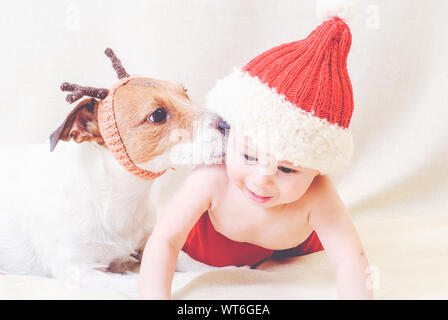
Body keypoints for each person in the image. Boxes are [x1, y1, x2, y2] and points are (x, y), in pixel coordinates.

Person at [140, 12, 373, 300]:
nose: (262, 181)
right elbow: (165, 239)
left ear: (318, 168)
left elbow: (351, 259)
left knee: (322, 238)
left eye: (287, 170)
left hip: (291, 243)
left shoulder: (317, 194)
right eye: (249, 156)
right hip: (216, 244)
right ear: (230, 133)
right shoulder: (213, 177)